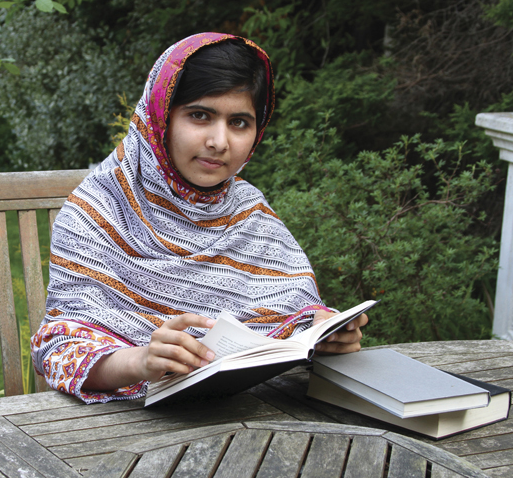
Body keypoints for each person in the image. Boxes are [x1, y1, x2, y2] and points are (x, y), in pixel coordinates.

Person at [31, 33, 367, 403]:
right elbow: (60, 348)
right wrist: (141, 361)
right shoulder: (98, 211)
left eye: (239, 122)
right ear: (161, 117)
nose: (219, 141)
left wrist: (326, 333)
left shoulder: (249, 211)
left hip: (255, 416)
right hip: (125, 430)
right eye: (200, 115)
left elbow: (293, 316)